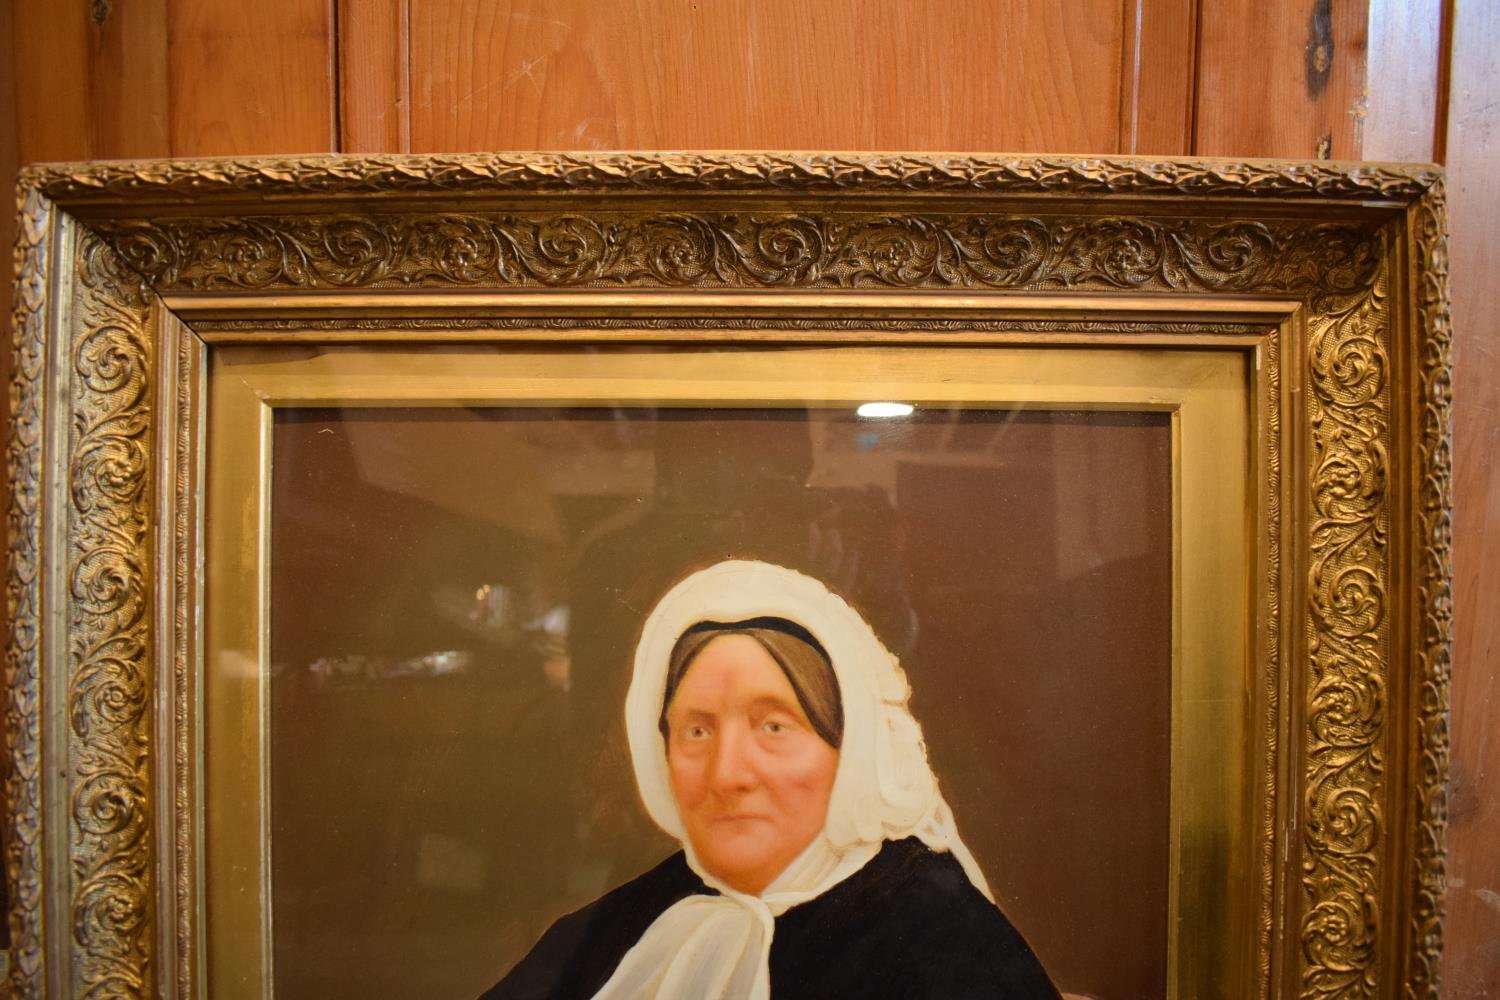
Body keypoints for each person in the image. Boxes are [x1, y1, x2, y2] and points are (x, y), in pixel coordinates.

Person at [482, 560, 1059, 999]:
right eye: (697, 732)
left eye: (774, 726)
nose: (728, 774)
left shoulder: (942, 938)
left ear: (850, 747)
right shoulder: (621, 923)